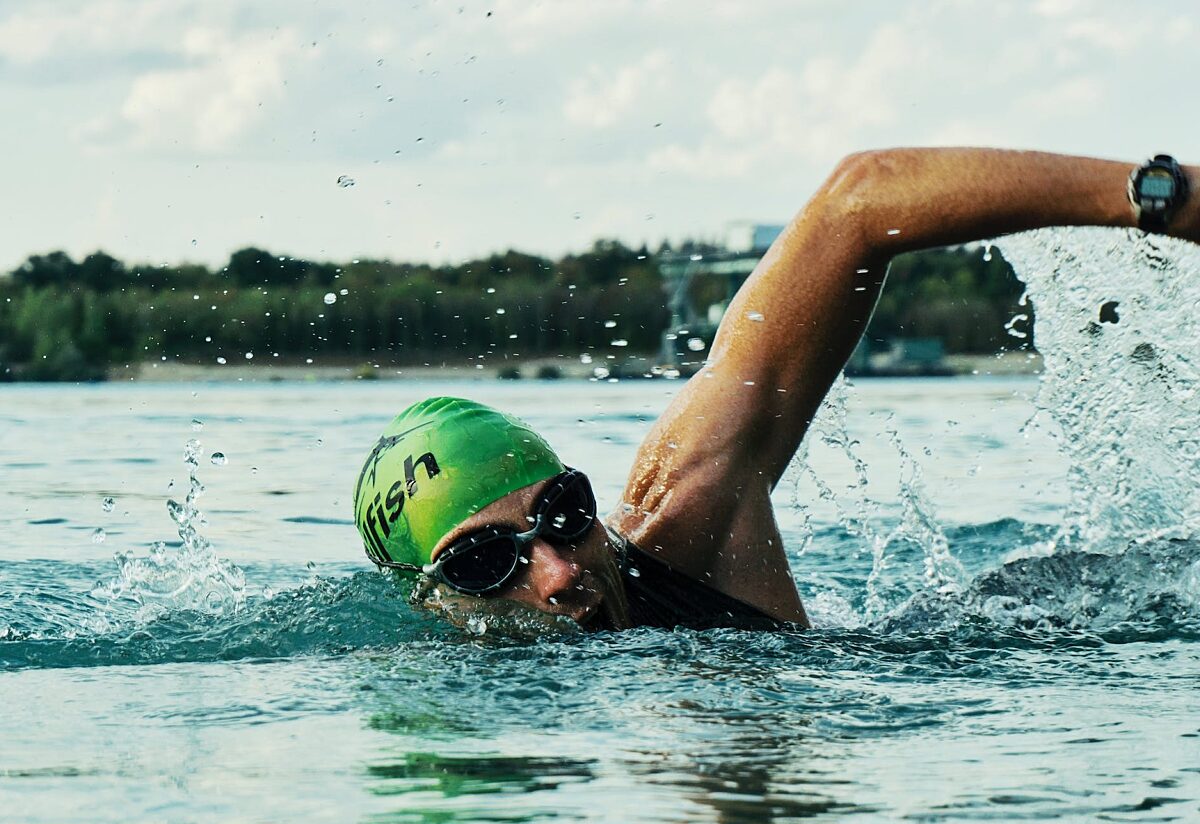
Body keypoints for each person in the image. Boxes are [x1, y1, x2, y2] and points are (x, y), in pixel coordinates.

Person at [354, 148, 1199, 632]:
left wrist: (1165, 199)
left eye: (565, 516)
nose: (560, 571)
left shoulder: (683, 523)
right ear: (434, 605)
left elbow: (857, 204)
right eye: (485, 561)